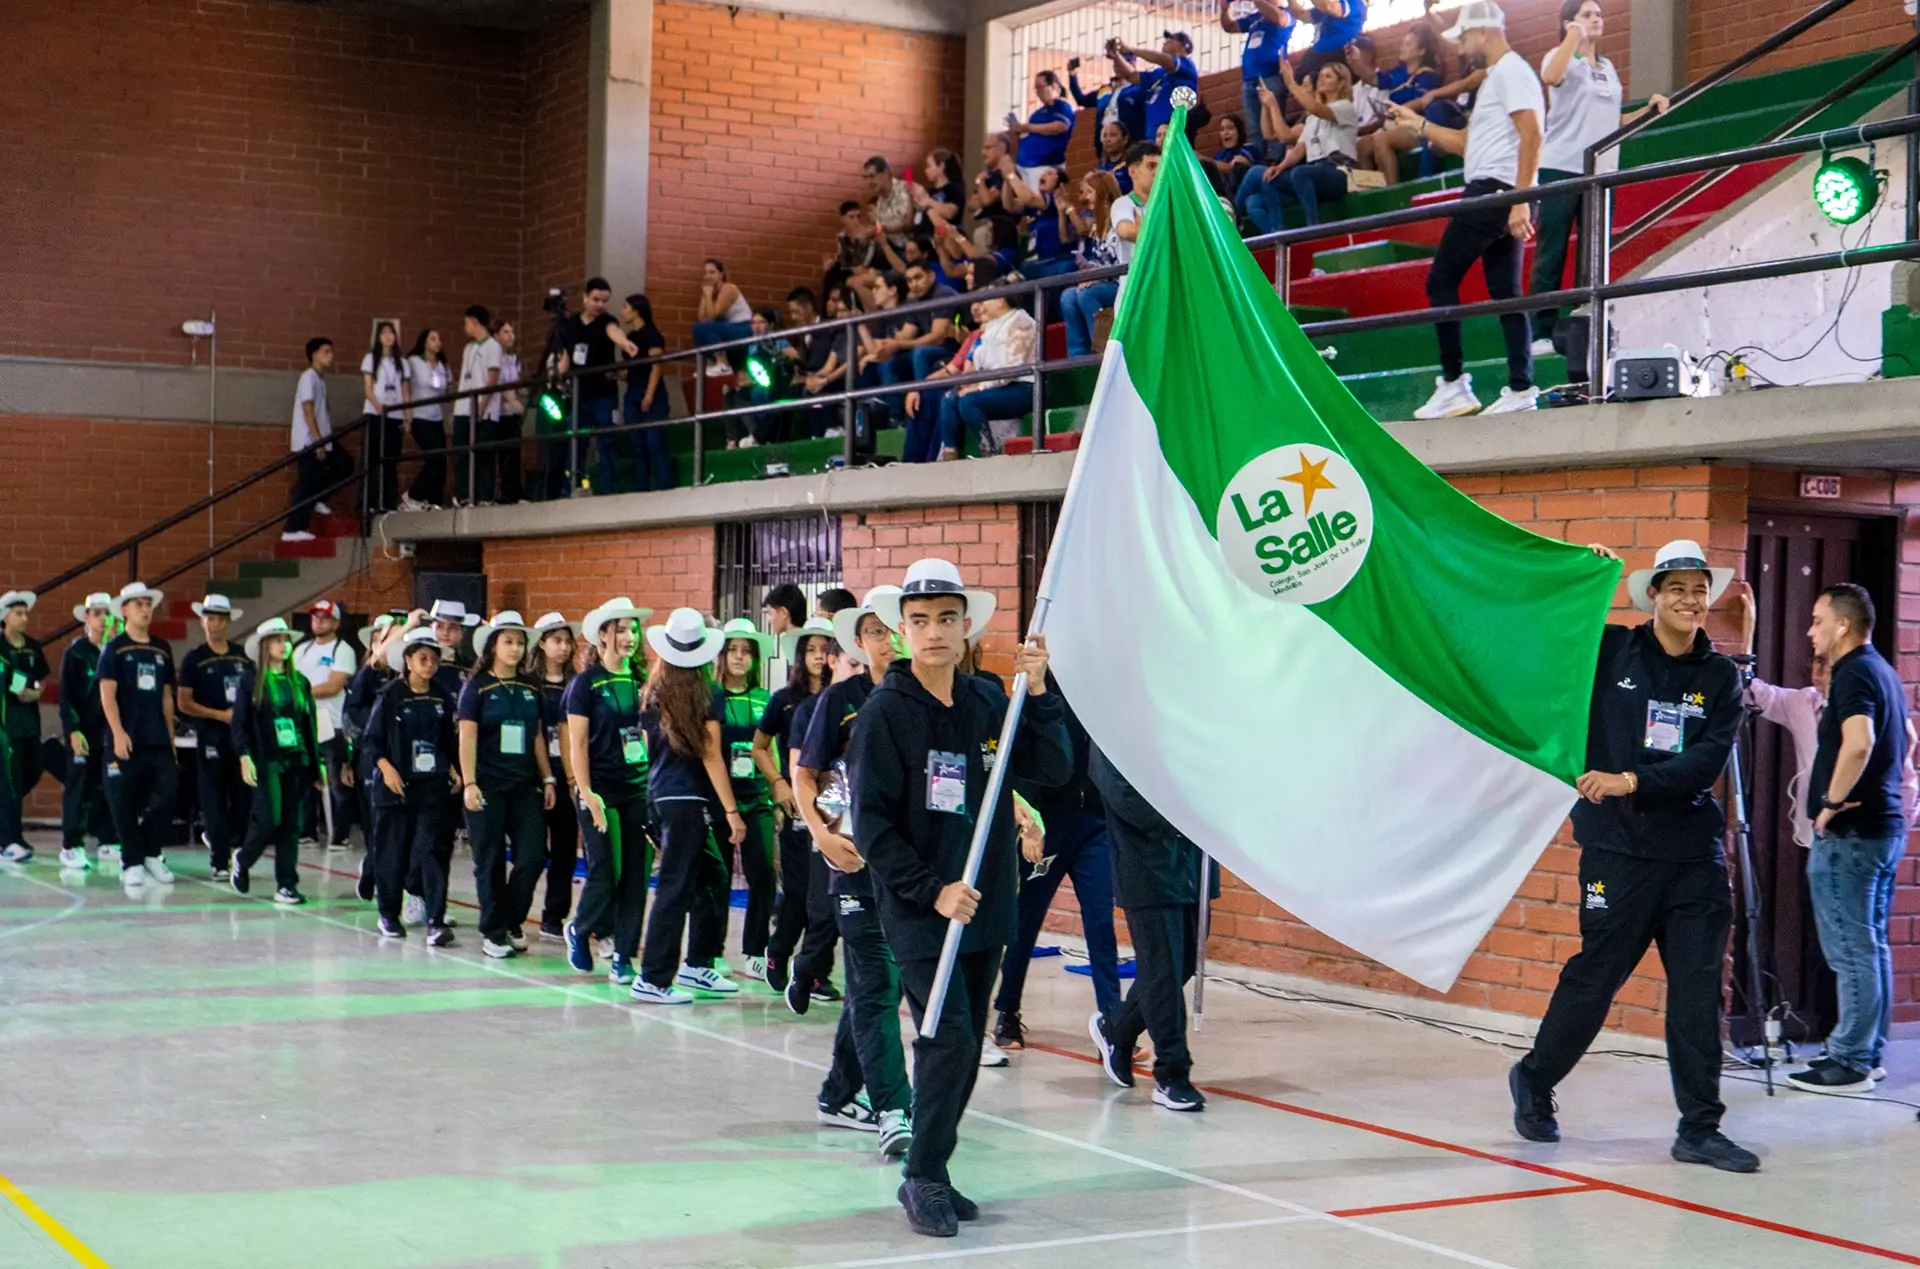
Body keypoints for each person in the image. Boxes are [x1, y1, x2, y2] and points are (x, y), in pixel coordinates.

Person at [1510, 539, 1758, 1174]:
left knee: (1699, 992)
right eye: (1676, 588)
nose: (1689, 600)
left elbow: (1706, 759)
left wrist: (1633, 781)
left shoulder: (1721, 678)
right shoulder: (1612, 650)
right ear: (1653, 595)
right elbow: (1553, 625)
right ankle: (1535, 1080)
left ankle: (1700, 1127)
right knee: (1598, 977)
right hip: (1616, 851)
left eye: (1699, 589)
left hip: (1693, 857)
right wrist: (1586, 572)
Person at [852, 559, 1069, 1237]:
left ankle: (935, 1171)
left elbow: (1052, 767)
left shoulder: (982, 701)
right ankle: (920, 1174)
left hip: (987, 902)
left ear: (966, 624)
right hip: (923, 910)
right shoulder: (885, 713)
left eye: (947, 618)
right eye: (919, 620)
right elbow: (872, 828)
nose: (934, 631)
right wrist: (932, 890)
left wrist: (1039, 693)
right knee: (944, 1038)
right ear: (902, 628)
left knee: (966, 1043)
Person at [795, 591, 914, 1157]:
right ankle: (895, 1108)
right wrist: (820, 836)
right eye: (874, 631)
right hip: (853, 863)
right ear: (858, 642)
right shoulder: (840, 700)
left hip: (909, 868)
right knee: (875, 984)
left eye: (894, 628)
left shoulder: (926, 699)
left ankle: (839, 1094)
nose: (886, 639)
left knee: (875, 989)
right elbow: (806, 775)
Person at [1393, 2, 1544, 419]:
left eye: (1463, 37)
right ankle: (1520, 388)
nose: (1460, 46)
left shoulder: (1510, 72)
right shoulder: (1500, 77)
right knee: (1505, 293)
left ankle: (1455, 383)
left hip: (1493, 192)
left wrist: (1519, 198)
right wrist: (1416, 124)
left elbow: (1533, 134)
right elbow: (1465, 144)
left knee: (1441, 279)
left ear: (1483, 32)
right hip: (1498, 189)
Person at [1788, 584, 1910, 1093]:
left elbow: (1858, 744)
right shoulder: (1883, 669)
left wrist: (1829, 806)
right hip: (1884, 830)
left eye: (1817, 620)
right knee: (1872, 944)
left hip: (1853, 834)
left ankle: (1851, 1062)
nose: (1811, 630)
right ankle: (1866, 1051)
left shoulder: (1855, 672)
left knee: (1850, 949)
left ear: (1842, 625)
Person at [1531, 0, 1669, 353]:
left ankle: (1586, 323)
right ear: (1568, 23)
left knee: (1595, 252)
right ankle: (1540, 332)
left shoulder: (1607, 67)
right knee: (1552, 250)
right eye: (1586, 14)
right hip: (1563, 166)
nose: (1595, 19)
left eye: (1598, 14)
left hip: (1602, 172)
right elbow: (1551, 77)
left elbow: (1613, 121)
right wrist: (1573, 36)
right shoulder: (1558, 57)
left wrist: (1647, 113)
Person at [992, 680, 1121, 1055]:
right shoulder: (1037, 687)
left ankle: (1112, 1020)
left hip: (1093, 822)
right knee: (1025, 921)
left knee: (1100, 923)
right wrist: (1030, 823)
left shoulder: (1101, 684)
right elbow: (1020, 760)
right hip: (1047, 822)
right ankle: (1007, 1010)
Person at [1087, 743, 1211, 1110]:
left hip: (1191, 863)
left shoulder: (1180, 727)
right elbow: (1126, 799)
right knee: (1162, 972)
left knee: (1184, 963)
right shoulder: (1109, 728)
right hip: (1146, 865)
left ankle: (1117, 1028)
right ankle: (1173, 1074)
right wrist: (1187, 812)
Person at [632, 610, 745, 1002]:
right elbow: (711, 755)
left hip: (661, 795)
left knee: (711, 877)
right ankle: (653, 978)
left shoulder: (653, 690)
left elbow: (649, 752)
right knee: (675, 887)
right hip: (687, 801)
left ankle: (698, 965)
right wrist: (732, 812)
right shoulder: (708, 693)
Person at [562, 597, 655, 980]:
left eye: (633, 630)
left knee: (637, 876)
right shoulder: (586, 684)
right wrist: (586, 792)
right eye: (620, 629)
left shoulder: (641, 681)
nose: (628, 637)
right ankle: (579, 929)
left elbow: (649, 736)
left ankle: (623, 956)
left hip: (637, 790)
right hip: (599, 789)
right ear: (603, 635)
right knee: (606, 870)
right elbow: (578, 744)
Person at [459, 611, 555, 960]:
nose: (514, 649)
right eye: (508, 642)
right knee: (490, 860)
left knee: (532, 856)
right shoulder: (478, 687)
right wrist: (469, 783)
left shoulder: (531, 686)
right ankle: (493, 931)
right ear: (493, 646)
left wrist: (547, 777)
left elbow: (537, 736)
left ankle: (513, 919)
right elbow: (467, 737)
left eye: (519, 643)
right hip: (487, 786)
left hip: (523, 785)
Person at [366, 628, 461, 943]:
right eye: (423, 658)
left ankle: (436, 921)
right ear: (407, 660)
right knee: (393, 854)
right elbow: (372, 742)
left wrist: (452, 769)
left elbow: (447, 740)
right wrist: (387, 769)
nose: (430, 665)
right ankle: (389, 915)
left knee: (432, 851)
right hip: (395, 791)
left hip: (432, 789)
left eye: (434, 660)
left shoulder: (442, 697)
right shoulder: (391, 695)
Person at [761, 615, 834, 993]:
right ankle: (778, 950)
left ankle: (816, 971)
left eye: (826, 649)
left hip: (835, 812)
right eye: (812, 650)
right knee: (801, 891)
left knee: (828, 896)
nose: (819, 657)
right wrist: (780, 784)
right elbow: (759, 748)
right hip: (797, 810)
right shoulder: (786, 701)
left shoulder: (843, 697)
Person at [230, 617, 323, 905]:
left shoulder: (300, 683)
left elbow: (309, 726)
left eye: (286, 640)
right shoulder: (250, 681)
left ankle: (286, 884)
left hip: (295, 759)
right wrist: (245, 756)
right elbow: (240, 723)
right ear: (265, 645)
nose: (284, 646)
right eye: (277, 640)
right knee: (270, 819)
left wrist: (316, 762)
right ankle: (243, 860)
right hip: (266, 759)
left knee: (290, 825)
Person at [708, 618, 779, 979]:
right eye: (732, 650)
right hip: (720, 803)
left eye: (745, 651)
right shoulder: (710, 697)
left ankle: (755, 951)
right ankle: (713, 951)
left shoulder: (764, 699)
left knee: (764, 873)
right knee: (717, 878)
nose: (739, 657)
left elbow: (771, 749)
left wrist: (777, 794)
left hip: (757, 799)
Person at [98, 581, 180, 890]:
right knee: (122, 801)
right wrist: (118, 733)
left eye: (148, 604)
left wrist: (171, 738)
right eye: (139, 604)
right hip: (126, 739)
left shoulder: (162, 648)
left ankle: (149, 851)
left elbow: (167, 696)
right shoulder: (115, 648)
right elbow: (107, 692)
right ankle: (131, 861)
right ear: (125, 611)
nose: (145, 609)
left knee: (168, 794)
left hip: (158, 738)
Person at [177, 595, 251, 881]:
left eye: (220, 618)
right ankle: (219, 858)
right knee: (213, 799)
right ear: (202, 620)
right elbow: (185, 702)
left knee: (242, 798)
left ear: (228, 621)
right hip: (211, 737)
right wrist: (220, 715)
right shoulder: (194, 659)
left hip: (240, 738)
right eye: (209, 617)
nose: (214, 623)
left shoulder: (242, 656)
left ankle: (237, 849)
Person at [1062, 144, 1158, 359]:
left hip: (1117, 280)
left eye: (1089, 192)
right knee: (1068, 296)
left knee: (1087, 294)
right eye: (1151, 166)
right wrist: (1091, 272)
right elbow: (1125, 234)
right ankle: (1078, 357)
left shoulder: (1117, 209)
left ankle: (1101, 352)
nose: (1084, 198)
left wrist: (1096, 277)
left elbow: (1120, 250)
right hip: (1112, 279)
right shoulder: (1114, 213)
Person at [931, 270, 1038, 460]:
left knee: (969, 401)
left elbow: (1011, 370)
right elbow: (981, 363)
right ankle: (950, 454)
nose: (983, 301)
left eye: (988, 297)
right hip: (996, 385)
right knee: (949, 399)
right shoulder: (991, 326)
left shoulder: (1021, 321)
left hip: (1023, 387)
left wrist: (979, 387)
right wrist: (972, 377)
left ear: (1000, 300)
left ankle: (988, 450)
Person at [1241, 60, 1357, 230]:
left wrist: (1290, 82)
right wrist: (1278, 168)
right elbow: (1299, 149)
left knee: (1301, 173)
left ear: (1341, 84)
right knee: (1269, 179)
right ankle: (1279, 232)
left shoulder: (1345, 107)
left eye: (1328, 76)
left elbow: (1315, 108)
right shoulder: (1313, 119)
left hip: (1338, 171)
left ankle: (1312, 228)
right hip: (1314, 172)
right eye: (1322, 76)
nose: (1322, 80)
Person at [560, 278, 642, 497]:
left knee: (607, 440)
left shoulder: (608, 320)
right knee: (577, 441)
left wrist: (625, 344)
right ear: (585, 298)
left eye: (605, 301)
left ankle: (608, 489)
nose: (600, 305)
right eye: (596, 300)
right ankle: (571, 487)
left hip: (604, 394)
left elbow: (613, 331)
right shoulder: (572, 324)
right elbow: (567, 354)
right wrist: (557, 372)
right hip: (579, 393)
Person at [530, 613, 581, 942]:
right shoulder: (528, 683)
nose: (563, 647)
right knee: (533, 849)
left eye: (567, 641)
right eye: (556, 641)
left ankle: (555, 913)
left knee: (564, 847)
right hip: (532, 775)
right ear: (542, 644)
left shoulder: (577, 683)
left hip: (568, 774)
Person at [345, 613, 402, 902]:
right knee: (377, 826)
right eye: (383, 637)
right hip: (372, 761)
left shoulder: (405, 673)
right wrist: (347, 759)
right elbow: (352, 716)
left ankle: (377, 871)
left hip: (404, 763)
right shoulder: (366, 674)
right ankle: (373, 871)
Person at [57, 592, 116, 870]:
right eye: (98, 613)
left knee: (106, 787)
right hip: (82, 733)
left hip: (106, 735)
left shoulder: (112, 652)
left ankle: (107, 840)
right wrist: (72, 730)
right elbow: (66, 696)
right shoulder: (76, 653)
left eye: (107, 613)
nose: (103, 619)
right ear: (86, 617)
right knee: (78, 789)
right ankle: (71, 845)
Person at [293, 599, 356, 852]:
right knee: (305, 779)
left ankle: (340, 834)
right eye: (316, 617)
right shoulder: (301, 650)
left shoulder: (342, 650)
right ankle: (307, 831)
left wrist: (301, 694)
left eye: (325, 618)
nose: (319, 621)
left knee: (336, 780)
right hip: (305, 722)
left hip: (333, 723)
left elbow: (333, 686)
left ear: (336, 622)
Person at [284, 337, 351, 543]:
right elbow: (308, 411)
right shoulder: (309, 377)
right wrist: (317, 442)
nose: (330, 355)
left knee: (344, 464)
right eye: (326, 351)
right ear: (314, 354)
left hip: (323, 439)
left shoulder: (320, 380)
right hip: (310, 441)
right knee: (306, 484)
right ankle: (293, 529)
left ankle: (320, 498)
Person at [0, 591, 48, 860]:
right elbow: (12, 684)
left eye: (25, 613)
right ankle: (10, 840)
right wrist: (19, 690)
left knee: (32, 770)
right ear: (5, 617)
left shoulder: (32, 646)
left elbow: (39, 677)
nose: (24, 618)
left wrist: (36, 691)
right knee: (9, 782)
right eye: (18, 613)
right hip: (6, 726)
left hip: (30, 724)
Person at [619, 294, 679, 492]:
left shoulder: (652, 334)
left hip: (651, 392)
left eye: (626, 307)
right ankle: (641, 487)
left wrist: (649, 394)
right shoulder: (629, 338)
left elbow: (656, 366)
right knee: (637, 444)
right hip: (633, 391)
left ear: (636, 311)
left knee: (654, 440)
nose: (623, 311)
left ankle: (664, 484)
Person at [1222, 0, 1294, 159]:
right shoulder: (1255, 17)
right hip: (1249, 79)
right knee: (1255, 130)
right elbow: (1229, 26)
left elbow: (1279, 19)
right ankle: (1258, 165)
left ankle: (1276, 163)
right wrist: (1225, 8)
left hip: (1271, 76)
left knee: (1274, 122)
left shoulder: (1288, 13)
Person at [450, 305, 503, 507]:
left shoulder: (492, 346)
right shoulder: (469, 348)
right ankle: (463, 495)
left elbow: (493, 378)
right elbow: (465, 380)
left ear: (474, 321)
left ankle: (485, 497)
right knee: (462, 453)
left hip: (485, 410)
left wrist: (482, 405)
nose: (465, 328)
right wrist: (457, 409)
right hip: (464, 408)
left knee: (484, 454)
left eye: (466, 323)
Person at [1112, 31, 1199, 150]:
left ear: (1184, 47)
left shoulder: (1187, 65)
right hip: (1154, 141)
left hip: (1173, 139)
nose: (1166, 41)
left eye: (1172, 40)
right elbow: (1132, 75)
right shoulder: (1160, 73)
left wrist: (1132, 50)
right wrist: (1116, 55)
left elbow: (1163, 59)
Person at [360, 320, 410, 513]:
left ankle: (388, 502)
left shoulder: (402, 362)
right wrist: (377, 404)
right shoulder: (370, 358)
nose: (389, 336)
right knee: (373, 460)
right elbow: (368, 387)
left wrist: (407, 416)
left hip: (395, 415)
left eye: (392, 333)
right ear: (378, 337)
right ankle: (371, 503)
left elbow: (405, 391)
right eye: (384, 333)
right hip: (375, 413)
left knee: (391, 460)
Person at [401, 328, 451, 512]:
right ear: (424, 342)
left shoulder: (442, 365)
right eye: (433, 339)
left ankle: (433, 501)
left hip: (436, 417)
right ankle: (413, 495)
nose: (437, 342)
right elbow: (405, 386)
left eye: (438, 339)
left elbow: (447, 389)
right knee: (434, 456)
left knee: (441, 460)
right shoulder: (414, 361)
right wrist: (407, 415)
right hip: (419, 417)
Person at [1004, 167, 1079, 281]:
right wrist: (1007, 180)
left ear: (1060, 184)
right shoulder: (1036, 208)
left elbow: (1030, 198)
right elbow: (1009, 205)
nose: (1043, 175)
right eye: (1043, 173)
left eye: (1049, 173)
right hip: (1037, 261)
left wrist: (1011, 175)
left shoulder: (1056, 201)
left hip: (1056, 261)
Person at [1007, 72, 1075, 188]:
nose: (1037, 91)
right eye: (1036, 88)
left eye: (1040, 87)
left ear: (1053, 86)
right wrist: (1018, 130)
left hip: (1044, 166)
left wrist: (1026, 127)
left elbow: (1060, 127)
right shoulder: (1036, 114)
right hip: (1024, 167)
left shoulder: (1061, 107)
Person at [692, 258, 755, 365]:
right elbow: (702, 319)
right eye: (705, 273)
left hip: (744, 328)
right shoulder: (711, 291)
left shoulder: (728, 289)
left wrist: (707, 295)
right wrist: (705, 296)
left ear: (721, 275)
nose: (707, 276)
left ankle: (721, 363)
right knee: (697, 330)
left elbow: (712, 317)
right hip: (730, 327)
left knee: (706, 328)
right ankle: (713, 362)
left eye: (712, 272)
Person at [493, 319, 526, 506]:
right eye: (505, 332)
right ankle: (505, 492)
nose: (510, 336)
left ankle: (515, 491)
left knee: (514, 453)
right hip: (499, 412)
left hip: (512, 413)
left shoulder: (514, 359)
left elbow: (516, 384)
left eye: (512, 332)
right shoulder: (494, 358)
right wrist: (512, 401)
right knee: (502, 454)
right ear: (496, 335)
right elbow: (499, 383)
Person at [1293, 0, 1368, 81]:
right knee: (1296, 81)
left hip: (1336, 58)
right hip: (1315, 56)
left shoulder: (1354, 3)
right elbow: (1300, 14)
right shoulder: (1325, 7)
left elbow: (1329, 7)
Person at [863, 156, 918, 250]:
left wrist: (876, 229)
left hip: (906, 250)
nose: (868, 182)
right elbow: (880, 228)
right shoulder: (880, 199)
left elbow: (905, 224)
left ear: (885, 173)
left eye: (872, 176)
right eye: (866, 178)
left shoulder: (903, 189)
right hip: (888, 249)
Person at [1211, 112, 1258, 182]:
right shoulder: (1220, 155)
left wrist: (1206, 160)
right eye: (1222, 129)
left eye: (1230, 128)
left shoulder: (1249, 149)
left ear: (1239, 132)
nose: (1226, 132)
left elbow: (1231, 168)